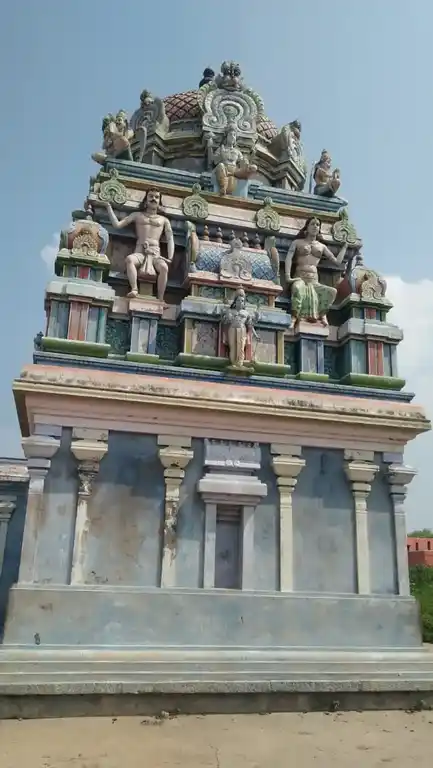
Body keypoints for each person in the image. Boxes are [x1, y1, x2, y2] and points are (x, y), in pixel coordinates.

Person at [102, 188, 174, 300]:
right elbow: (117, 225)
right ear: (145, 200)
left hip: (155, 253)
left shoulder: (164, 220)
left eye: (156, 197)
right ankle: (134, 289)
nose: (153, 199)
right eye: (151, 196)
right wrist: (108, 207)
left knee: (164, 267)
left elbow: (170, 239)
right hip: (140, 251)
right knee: (130, 260)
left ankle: (160, 297)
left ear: (160, 202)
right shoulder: (137, 215)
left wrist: (170, 257)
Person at [285, 217, 348, 327]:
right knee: (297, 289)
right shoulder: (297, 242)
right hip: (300, 277)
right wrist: (287, 276)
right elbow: (288, 258)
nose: (315, 226)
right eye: (312, 224)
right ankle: (294, 317)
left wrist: (345, 247)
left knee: (332, 292)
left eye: (317, 225)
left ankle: (322, 314)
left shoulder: (321, 246)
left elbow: (337, 262)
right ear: (307, 227)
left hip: (314, 280)